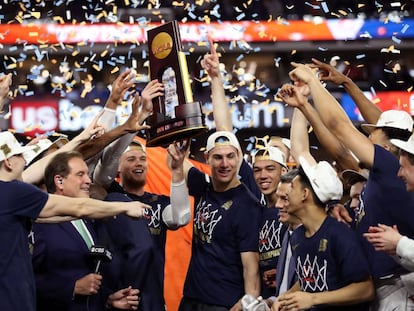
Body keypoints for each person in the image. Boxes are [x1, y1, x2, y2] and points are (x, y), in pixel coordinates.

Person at [287, 61, 414, 310]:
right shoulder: (386, 174)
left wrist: (313, 84)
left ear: (388, 146)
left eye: (373, 133)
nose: (368, 136)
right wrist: (305, 105)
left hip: (397, 287)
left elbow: (340, 128)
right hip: (389, 285)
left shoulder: (390, 166)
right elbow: (339, 149)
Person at [0, 131, 149, 311]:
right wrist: (123, 207)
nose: (25, 162)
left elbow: (65, 214)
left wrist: (106, 300)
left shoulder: (16, 203)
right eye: (21, 157)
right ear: (8, 162)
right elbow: (79, 208)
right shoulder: (12, 192)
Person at [31, 151, 142, 311]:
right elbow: (23, 279)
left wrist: (108, 300)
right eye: (80, 174)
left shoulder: (87, 220)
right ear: (59, 181)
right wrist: (71, 287)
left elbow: (88, 274)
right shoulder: (38, 223)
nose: (88, 181)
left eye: (88, 175)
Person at [93, 139, 191, 311]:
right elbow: (103, 173)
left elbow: (180, 218)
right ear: (118, 167)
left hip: (152, 298)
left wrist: (177, 171)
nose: (138, 163)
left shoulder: (159, 203)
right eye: (130, 159)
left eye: (142, 159)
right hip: (116, 295)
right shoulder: (109, 196)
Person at [174, 131, 262, 310]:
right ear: (207, 158)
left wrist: (248, 301)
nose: (225, 164)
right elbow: (179, 163)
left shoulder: (247, 205)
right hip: (191, 298)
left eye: (230, 156)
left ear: (238, 157)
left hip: (224, 303)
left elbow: (251, 265)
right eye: (218, 157)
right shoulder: (203, 186)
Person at [271, 159, 374, 311]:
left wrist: (313, 299)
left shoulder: (340, 235)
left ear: (305, 194)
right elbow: (311, 278)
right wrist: (286, 298)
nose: (280, 202)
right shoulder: (297, 237)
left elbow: (366, 289)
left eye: (292, 188)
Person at [252, 146, 288, 298]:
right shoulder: (254, 213)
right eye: (257, 170)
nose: (263, 175)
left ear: (284, 172)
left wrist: (281, 272)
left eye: (270, 169)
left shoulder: (293, 211)